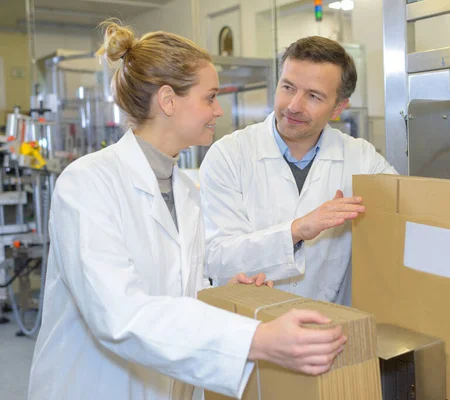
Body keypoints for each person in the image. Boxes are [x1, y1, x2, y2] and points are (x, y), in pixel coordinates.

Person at [28, 23, 346, 400]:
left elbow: (179, 295)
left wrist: (222, 294)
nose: (218, 109)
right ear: (168, 100)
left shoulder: (184, 191)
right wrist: (256, 340)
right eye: (210, 97)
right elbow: (119, 315)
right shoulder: (87, 184)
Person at [199, 36, 450, 306]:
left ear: (339, 107)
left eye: (314, 96)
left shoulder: (360, 158)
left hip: (332, 333)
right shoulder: (229, 155)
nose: (294, 105)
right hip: (251, 335)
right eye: (287, 87)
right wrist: (298, 229)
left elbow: (416, 222)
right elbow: (215, 258)